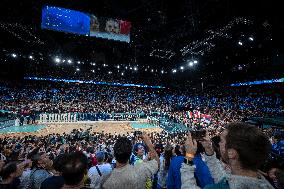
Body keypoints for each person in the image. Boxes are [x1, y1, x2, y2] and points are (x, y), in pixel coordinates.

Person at [181, 122, 275, 189]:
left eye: (221, 141)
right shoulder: (263, 182)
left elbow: (187, 185)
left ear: (232, 153)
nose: (219, 144)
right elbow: (223, 178)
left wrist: (189, 156)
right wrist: (209, 150)